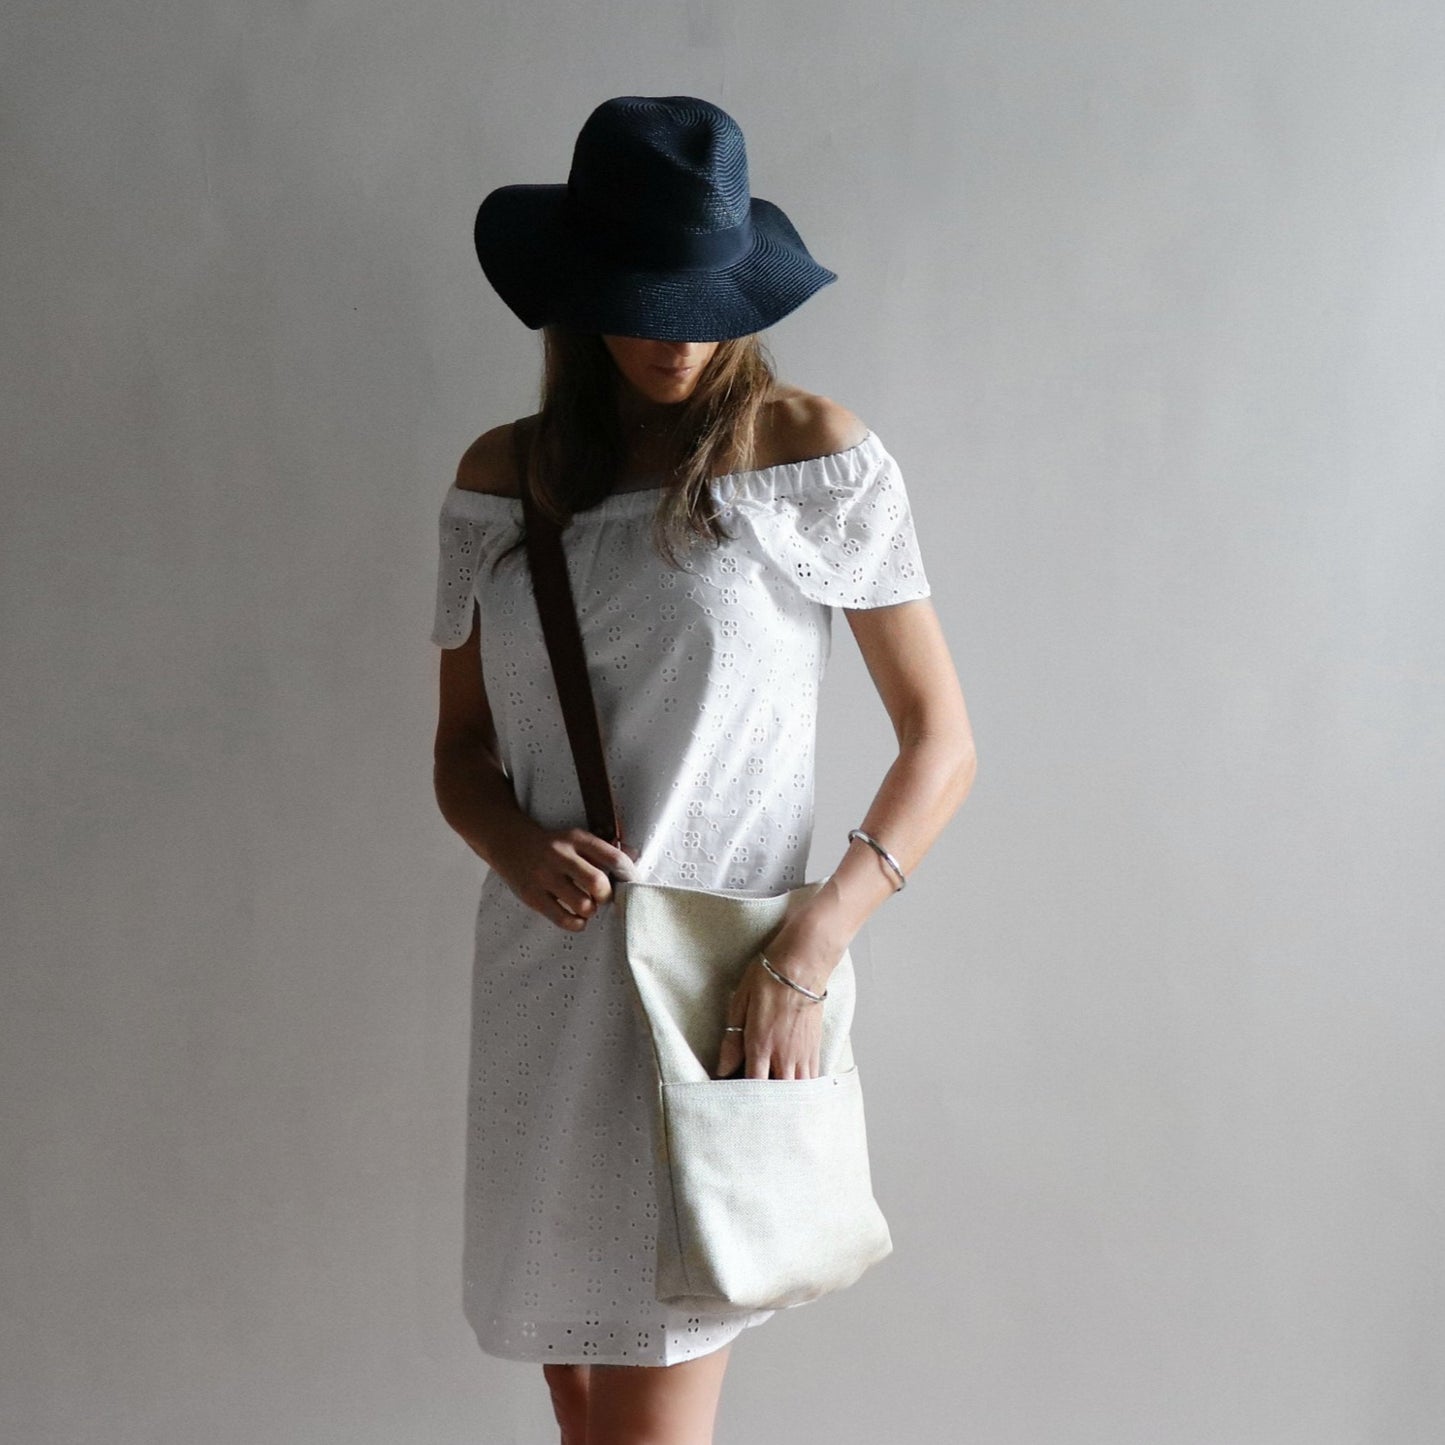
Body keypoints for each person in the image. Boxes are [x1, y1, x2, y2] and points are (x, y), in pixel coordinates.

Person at [431, 95, 977, 1445]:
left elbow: (941, 740)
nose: (676, 334)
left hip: (714, 1000)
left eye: (702, 296)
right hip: (545, 995)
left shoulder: (801, 455)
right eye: (639, 296)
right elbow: (457, 753)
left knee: (647, 1414)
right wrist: (509, 841)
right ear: (577, 297)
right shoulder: (503, 481)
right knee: (575, 1398)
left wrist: (811, 947)